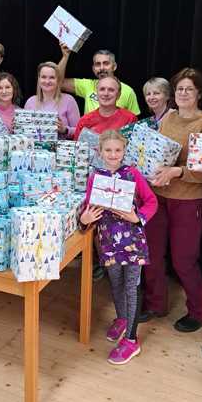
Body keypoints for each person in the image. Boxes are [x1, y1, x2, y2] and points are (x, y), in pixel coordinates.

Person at [142, 68, 202, 332]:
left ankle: (200, 311)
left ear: (199, 93)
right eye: (179, 89)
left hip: (190, 200)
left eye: (189, 89)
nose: (183, 93)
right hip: (159, 196)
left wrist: (177, 172)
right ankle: (155, 304)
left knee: (183, 260)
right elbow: (158, 152)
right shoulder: (169, 117)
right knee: (152, 254)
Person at [79, 130, 157, 364]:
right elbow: (89, 208)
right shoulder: (95, 177)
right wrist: (84, 220)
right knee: (115, 282)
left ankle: (132, 340)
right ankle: (122, 318)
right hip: (107, 241)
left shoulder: (132, 174)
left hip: (133, 241)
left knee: (131, 287)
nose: (113, 154)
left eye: (118, 150)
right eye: (108, 150)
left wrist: (138, 218)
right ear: (100, 151)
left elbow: (152, 201)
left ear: (124, 151)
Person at [57, 43, 140, 115]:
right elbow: (58, 83)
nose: (101, 68)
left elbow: (133, 122)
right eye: (97, 64)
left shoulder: (128, 91)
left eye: (106, 63)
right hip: (89, 128)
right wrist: (65, 56)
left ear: (114, 66)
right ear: (93, 69)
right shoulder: (87, 85)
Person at [24, 61, 80, 138]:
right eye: (43, 77)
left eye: (52, 77)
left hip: (61, 145)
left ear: (58, 80)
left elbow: (79, 131)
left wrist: (65, 130)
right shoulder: (30, 102)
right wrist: (18, 126)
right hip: (34, 145)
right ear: (39, 79)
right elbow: (24, 131)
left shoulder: (69, 100)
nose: (47, 81)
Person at [73, 76, 137, 140]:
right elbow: (77, 145)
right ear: (97, 93)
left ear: (118, 95)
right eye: (102, 89)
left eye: (111, 90)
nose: (106, 94)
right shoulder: (84, 121)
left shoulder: (130, 119)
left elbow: (135, 145)